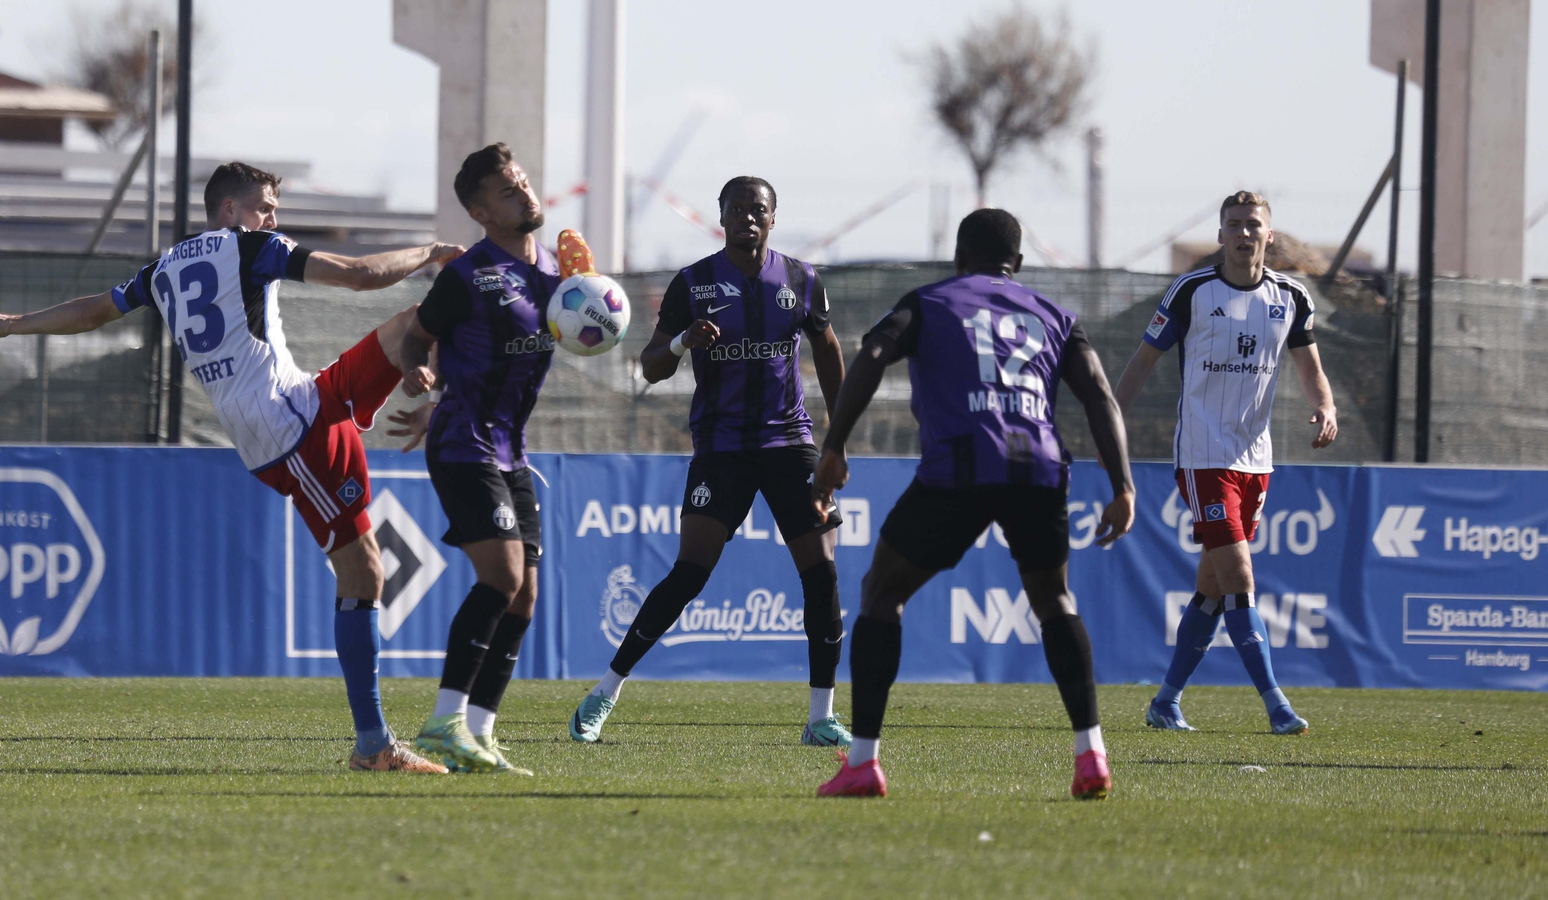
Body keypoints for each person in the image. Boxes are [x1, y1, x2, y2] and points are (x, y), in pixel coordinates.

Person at [0, 162, 461, 773]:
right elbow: (356, 275)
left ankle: (440, 392)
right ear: (228, 210)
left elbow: (93, 312)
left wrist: (14, 324)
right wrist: (432, 251)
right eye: (263, 207)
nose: (272, 219)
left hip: (301, 400)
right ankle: (373, 745)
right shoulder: (251, 248)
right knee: (363, 572)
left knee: (412, 324)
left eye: (273, 210)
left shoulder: (165, 267)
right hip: (288, 430)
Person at [811, 208, 1135, 800]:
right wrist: (1123, 486)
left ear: (959, 258)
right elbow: (1099, 393)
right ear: (1018, 262)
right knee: (1055, 600)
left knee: (881, 595)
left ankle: (863, 763)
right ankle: (1091, 755)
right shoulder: (1055, 314)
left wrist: (834, 445)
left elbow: (874, 353)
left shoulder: (932, 301)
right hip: (1038, 467)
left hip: (961, 464)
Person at [567, 176, 851, 747]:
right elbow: (650, 367)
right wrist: (681, 343)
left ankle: (820, 718)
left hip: (788, 442)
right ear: (720, 217)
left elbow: (827, 347)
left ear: (773, 217)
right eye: (737, 208)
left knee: (821, 575)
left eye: (758, 209)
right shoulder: (693, 283)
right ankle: (603, 694)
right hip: (722, 447)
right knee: (690, 572)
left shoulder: (801, 279)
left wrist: (837, 440)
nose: (748, 217)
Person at [1113, 191, 1336, 736]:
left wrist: (1326, 406)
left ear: (1269, 235)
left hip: (1255, 460)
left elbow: (1310, 368)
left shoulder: (1291, 297)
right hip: (1203, 456)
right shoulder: (1192, 292)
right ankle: (1277, 706)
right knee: (1240, 575)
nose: (1243, 233)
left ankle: (1165, 701)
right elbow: (1142, 361)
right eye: (1233, 225)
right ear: (1220, 235)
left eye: (1252, 224)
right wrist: (1109, 424)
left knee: (1213, 587)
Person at [385, 143, 563, 775]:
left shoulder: (557, 272)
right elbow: (417, 340)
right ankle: (442, 725)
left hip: (513, 451)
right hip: (463, 445)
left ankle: (478, 735)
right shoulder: (468, 275)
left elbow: (589, 329)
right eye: (507, 191)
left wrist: (596, 299)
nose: (524, 194)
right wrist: (419, 378)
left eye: (524, 183)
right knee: (503, 578)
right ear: (481, 212)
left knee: (525, 597)